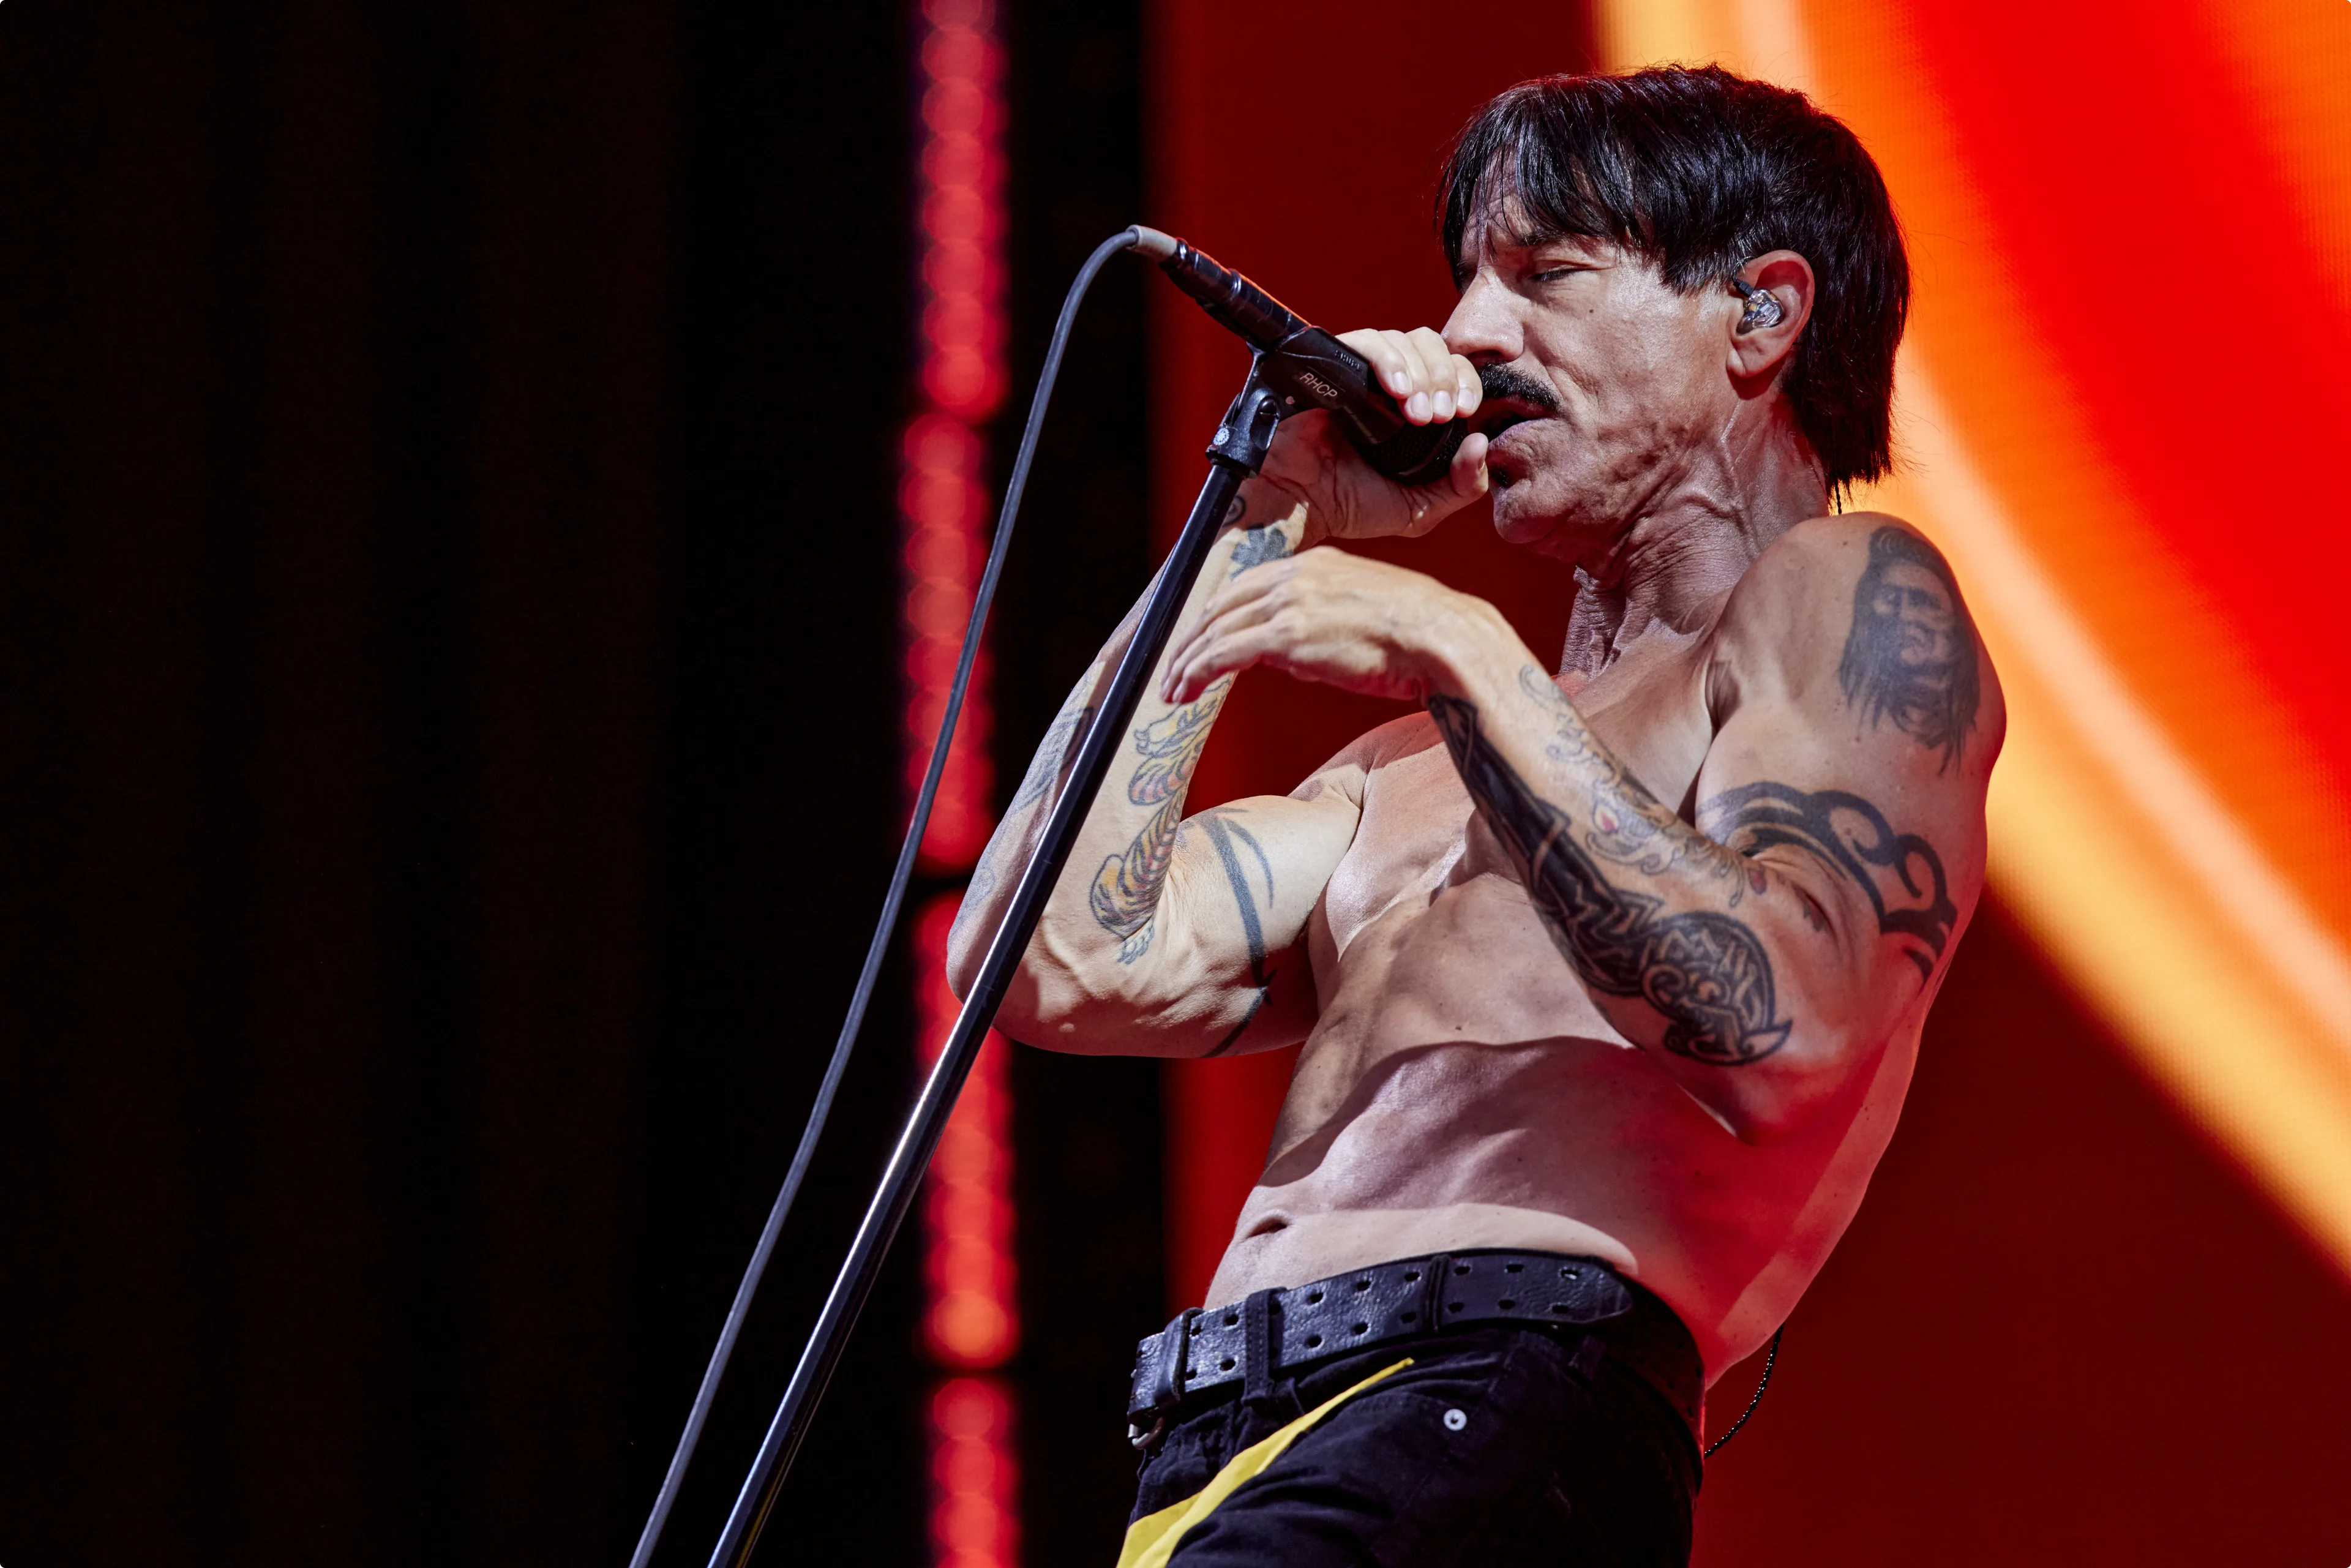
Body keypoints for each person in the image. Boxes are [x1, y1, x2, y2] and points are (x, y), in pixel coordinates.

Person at [947, 64, 1999, 1566]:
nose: (1465, 334)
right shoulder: (1404, 769)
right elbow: (1045, 961)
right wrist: (1260, 517)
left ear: (1760, 315)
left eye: (1544, 275)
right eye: (1467, 283)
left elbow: (1785, 1021)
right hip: (1227, 1451)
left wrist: (1462, 649)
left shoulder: (1848, 596)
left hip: (1494, 1401)